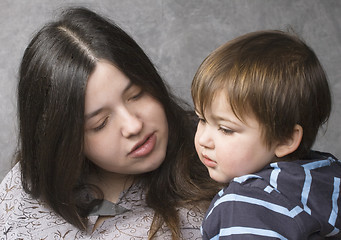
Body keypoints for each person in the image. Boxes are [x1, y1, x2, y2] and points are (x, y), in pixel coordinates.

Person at [0, 7, 220, 239]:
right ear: (65, 139)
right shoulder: (22, 193)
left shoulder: (225, 164)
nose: (133, 126)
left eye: (136, 95)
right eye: (100, 123)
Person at [191, 30, 341, 239]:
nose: (203, 140)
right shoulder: (325, 175)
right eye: (202, 119)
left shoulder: (243, 205)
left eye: (226, 129)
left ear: (285, 139)